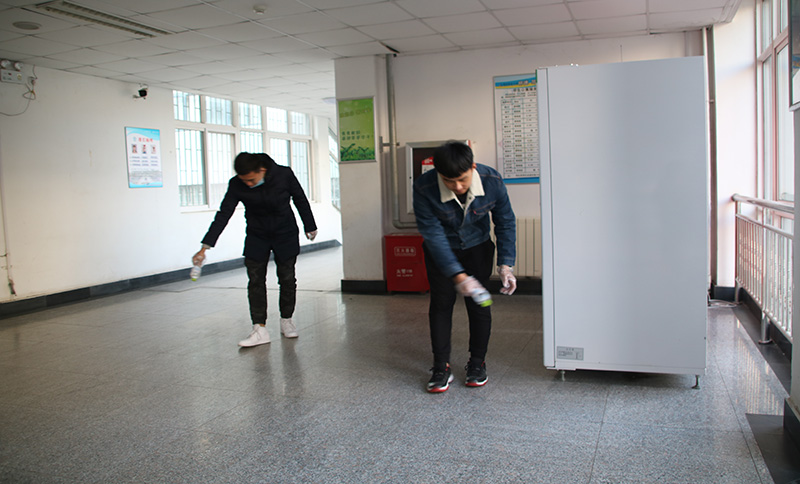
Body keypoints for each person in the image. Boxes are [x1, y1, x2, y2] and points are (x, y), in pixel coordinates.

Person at [412, 141, 517, 393]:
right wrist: (457, 275)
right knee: (441, 305)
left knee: (479, 304)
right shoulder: (424, 187)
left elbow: (505, 222)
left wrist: (506, 265)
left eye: (462, 179)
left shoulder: (492, 181)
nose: (458, 187)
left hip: (478, 248)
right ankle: (441, 366)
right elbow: (433, 234)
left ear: (473, 167)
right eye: (449, 181)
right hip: (441, 251)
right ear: (438, 173)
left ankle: (477, 363)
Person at [192, 152, 317, 347]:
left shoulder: (284, 174)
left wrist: (310, 225)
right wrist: (204, 247)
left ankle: (287, 319)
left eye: (251, 180)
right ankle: (259, 328)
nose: (248, 184)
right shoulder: (236, 184)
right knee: (255, 280)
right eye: (245, 181)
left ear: (262, 170)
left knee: (287, 278)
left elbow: (300, 199)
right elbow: (224, 214)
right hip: (257, 235)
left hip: (285, 233)